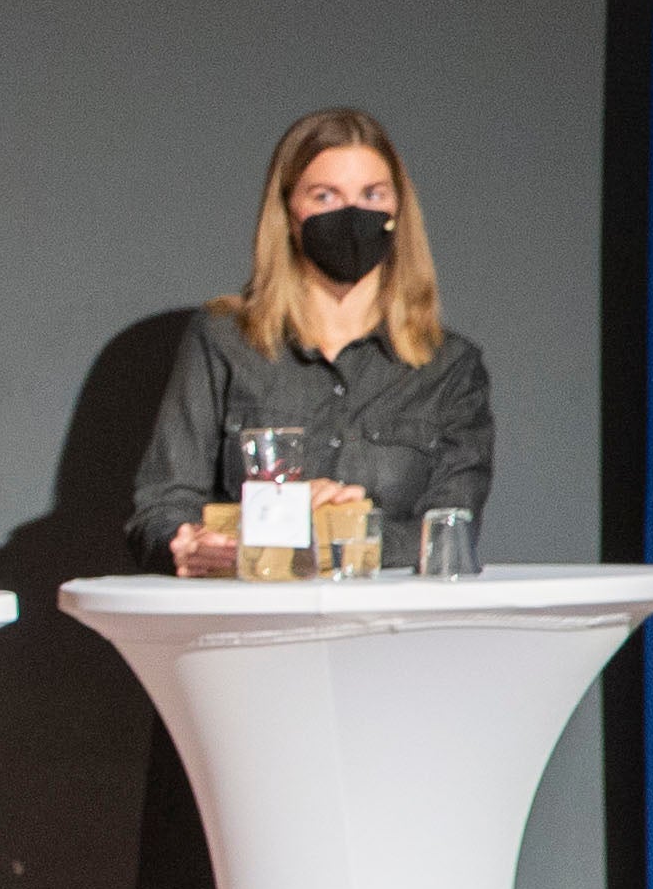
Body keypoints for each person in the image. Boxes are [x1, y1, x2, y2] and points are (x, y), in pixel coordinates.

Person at [125, 108, 492, 571]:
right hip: (255, 608)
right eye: (325, 196)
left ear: (398, 210)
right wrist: (192, 543)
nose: (352, 215)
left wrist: (339, 528)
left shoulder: (449, 367)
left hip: (387, 612)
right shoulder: (224, 340)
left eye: (372, 195)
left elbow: (451, 530)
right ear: (289, 212)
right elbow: (162, 510)